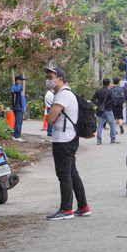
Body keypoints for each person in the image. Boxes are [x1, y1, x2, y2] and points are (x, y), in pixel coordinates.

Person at [43, 67, 90, 220]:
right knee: (72, 173)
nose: (48, 80)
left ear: (60, 79)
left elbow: (50, 119)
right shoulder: (68, 94)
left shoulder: (62, 95)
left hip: (63, 140)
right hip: (70, 137)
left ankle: (66, 209)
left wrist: (52, 115)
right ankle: (83, 206)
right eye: (47, 77)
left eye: (51, 77)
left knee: (64, 175)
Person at [92, 78, 117, 145]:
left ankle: (99, 140)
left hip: (101, 110)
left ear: (102, 83)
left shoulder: (99, 91)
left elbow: (93, 99)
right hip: (108, 110)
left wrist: (99, 104)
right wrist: (106, 104)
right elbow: (112, 100)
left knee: (100, 125)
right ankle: (113, 139)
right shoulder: (110, 91)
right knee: (112, 124)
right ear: (109, 84)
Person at [10, 75, 26, 141]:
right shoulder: (14, 88)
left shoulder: (20, 91)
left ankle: (18, 135)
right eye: (20, 80)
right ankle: (16, 136)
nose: (21, 82)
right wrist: (19, 84)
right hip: (17, 107)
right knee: (18, 122)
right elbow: (16, 90)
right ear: (17, 81)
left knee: (20, 122)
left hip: (21, 108)